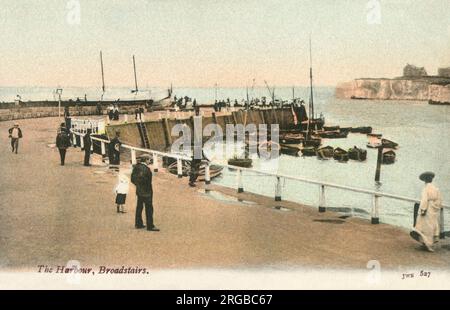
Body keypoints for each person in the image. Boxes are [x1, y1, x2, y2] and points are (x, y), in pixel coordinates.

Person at [410, 172, 443, 252]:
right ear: (431, 179)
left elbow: (424, 200)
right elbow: (439, 200)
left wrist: (423, 209)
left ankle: (427, 244)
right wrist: (435, 207)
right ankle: (428, 243)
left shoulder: (425, 188)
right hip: (433, 209)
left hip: (427, 208)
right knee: (431, 226)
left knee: (424, 226)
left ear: (425, 180)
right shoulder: (436, 188)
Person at [131, 154, 159, 231]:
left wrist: (138, 186)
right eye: (149, 159)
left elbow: (133, 179)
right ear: (146, 160)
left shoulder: (136, 167)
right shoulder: (146, 169)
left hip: (139, 191)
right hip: (147, 191)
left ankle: (138, 223)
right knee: (149, 209)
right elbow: (146, 180)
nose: (150, 161)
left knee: (139, 207)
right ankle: (150, 226)